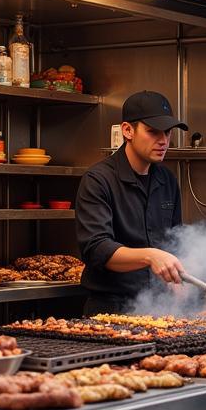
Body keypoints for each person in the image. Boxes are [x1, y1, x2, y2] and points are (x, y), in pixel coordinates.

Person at [75, 90, 187, 314]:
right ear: (127, 130)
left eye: (167, 132)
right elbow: (97, 249)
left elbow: (175, 240)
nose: (163, 140)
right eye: (153, 132)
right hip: (110, 310)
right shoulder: (98, 180)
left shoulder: (168, 180)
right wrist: (150, 255)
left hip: (158, 309)